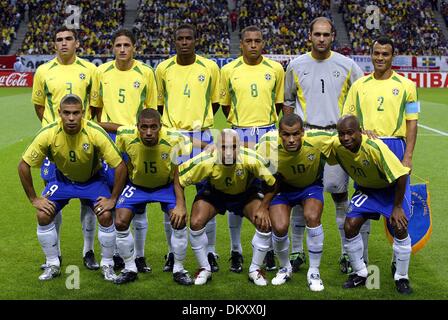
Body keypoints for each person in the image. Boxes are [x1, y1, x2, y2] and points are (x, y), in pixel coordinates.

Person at [283, 17, 365, 273]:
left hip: (335, 139)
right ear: (310, 35)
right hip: (304, 139)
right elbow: (288, 104)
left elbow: (362, 97)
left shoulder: (348, 65)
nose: (321, 39)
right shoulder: (295, 66)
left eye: (326, 34)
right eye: (317, 34)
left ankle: (344, 252)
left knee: (340, 196)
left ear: (332, 37)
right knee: (299, 197)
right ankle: (297, 253)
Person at [18, 94, 127, 281]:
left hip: (93, 181)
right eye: (66, 113)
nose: (71, 118)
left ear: (82, 113)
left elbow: (120, 166)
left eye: (76, 113)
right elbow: (23, 165)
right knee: (43, 214)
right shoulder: (49, 132)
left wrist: (113, 199)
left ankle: (107, 264)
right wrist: (34, 198)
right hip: (62, 181)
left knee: (106, 214)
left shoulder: (94, 132)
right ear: (59, 113)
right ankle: (53, 264)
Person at [342, 35, 419, 275]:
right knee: (355, 219)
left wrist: (407, 157)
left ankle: (401, 274)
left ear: (392, 57)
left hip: (395, 148)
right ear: (371, 55)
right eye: (376, 53)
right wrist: (361, 131)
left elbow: (412, 123)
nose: (380, 58)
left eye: (385, 54)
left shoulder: (407, 86)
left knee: (398, 220)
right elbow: (347, 121)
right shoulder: (359, 86)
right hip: (367, 151)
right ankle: (360, 270)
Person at [31, 26, 99, 271]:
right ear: (54, 44)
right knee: (52, 197)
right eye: (59, 39)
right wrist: (52, 129)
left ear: (77, 43)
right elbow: (39, 106)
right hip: (54, 146)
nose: (63, 43)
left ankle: (88, 251)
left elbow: (96, 106)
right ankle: (55, 253)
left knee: (88, 199)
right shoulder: (43, 71)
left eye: (68, 39)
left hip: (84, 143)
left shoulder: (90, 70)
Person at [155, 24, 220, 273]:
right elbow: (159, 105)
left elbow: (214, 103)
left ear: (196, 40)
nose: (184, 42)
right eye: (179, 38)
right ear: (174, 41)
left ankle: (210, 251)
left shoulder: (210, 67)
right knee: (171, 199)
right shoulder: (163, 69)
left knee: (207, 194)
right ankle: (172, 253)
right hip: (172, 138)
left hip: (202, 137)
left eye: (188, 38)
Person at [91, 28, 158, 273]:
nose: (122, 49)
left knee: (137, 200)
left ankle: (138, 256)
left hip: (137, 141)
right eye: (118, 45)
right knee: (111, 197)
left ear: (134, 48)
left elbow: (151, 112)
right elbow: (96, 109)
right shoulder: (102, 72)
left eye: (126, 45)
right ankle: (116, 255)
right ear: (112, 48)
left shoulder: (146, 73)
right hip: (108, 140)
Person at [220, 25, 285, 273]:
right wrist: (243, 127)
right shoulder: (228, 70)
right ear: (242, 44)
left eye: (258, 40)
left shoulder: (275, 69)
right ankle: (236, 251)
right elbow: (226, 106)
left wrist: (263, 129)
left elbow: (278, 104)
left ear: (263, 43)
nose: (253, 45)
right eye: (249, 41)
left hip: (268, 133)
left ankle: (266, 250)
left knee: (268, 189)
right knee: (237, 190)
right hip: (239, 132)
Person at [175, 129, 277, 286]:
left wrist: (264, 207)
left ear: (240, 146)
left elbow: (274, 182)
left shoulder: (251, 158)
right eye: (224, 147)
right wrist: (181, 205)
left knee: (264, 222)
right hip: (216, 193)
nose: (229, 152)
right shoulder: (206, 159)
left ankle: (255, 269)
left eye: (233, 146)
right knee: (195, 222)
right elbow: (179, 178)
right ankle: (204, 268)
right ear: (216, 146)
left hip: (246, 194)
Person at [331, 115, 413, 294]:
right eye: (342, 134)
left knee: (400, 227)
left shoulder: (376, 148)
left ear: (360, 132)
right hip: (368, 190)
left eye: (350, 133)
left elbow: (401, 176)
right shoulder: (337, 145)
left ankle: (401, 277)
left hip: (392, 190)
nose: (345, 138)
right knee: (350, 225)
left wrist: (397, 207)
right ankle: (361, 273)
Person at [113, 109, 195, 285]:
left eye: (153, 127)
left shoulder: (175, 139)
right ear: (137, 127)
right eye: (144, 127)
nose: (148, 132)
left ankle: (179, 269)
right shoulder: (125, 135)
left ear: (161, 126)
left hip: (165, 187)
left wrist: (181, 203)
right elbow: (121, 161)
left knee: (179, 220)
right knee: (119, 221)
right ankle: (130, 268)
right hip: (136, 186)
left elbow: (178, 171)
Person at [256, 113, 334, 291]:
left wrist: (366, 132)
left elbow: (344, 138)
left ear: (303, 132)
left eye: (296, 134)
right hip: (283, 189)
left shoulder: (318, 139)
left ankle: (314, 272)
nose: (291, 139)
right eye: (286, 134)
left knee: (312, 216)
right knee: (280, 226)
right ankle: (285, 268)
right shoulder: (267, 144)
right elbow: (263, 173)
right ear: (279, 133)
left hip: (310, 186)